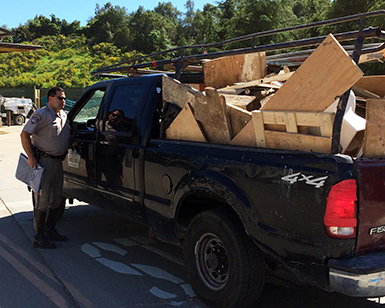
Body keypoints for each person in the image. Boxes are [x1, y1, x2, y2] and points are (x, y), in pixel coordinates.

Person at [20, 86, 71, 249]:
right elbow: (24, 134)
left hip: (58, 162)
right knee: (42, 201)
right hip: (44, 162)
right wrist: (31, 157)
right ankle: (39, 236)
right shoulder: (41, 114)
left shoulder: (64, 115)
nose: (63, 101)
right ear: (50, 99)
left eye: (64, 98)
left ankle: (50, 230)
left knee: (56, 199)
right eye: (60, 98)